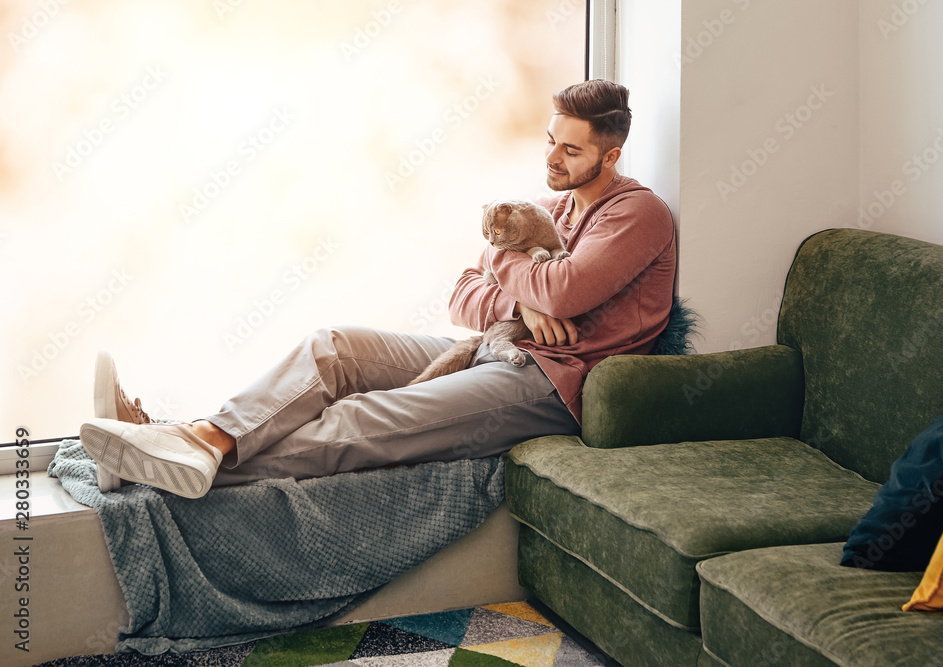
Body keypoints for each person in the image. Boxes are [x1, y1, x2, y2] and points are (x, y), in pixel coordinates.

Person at [79, 79, 677, 499]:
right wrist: (521, 299)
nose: (552, 156)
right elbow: (463, 295)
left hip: (550, 382)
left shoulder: (637, 213)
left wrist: (516, 273)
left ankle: (148, 463)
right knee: (333, 346)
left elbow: (565, 292)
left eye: (571, 150)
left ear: (612, 154)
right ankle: (197, 438)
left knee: (364, 418)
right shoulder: (546, 210)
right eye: (550, 139)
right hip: (496, 344)